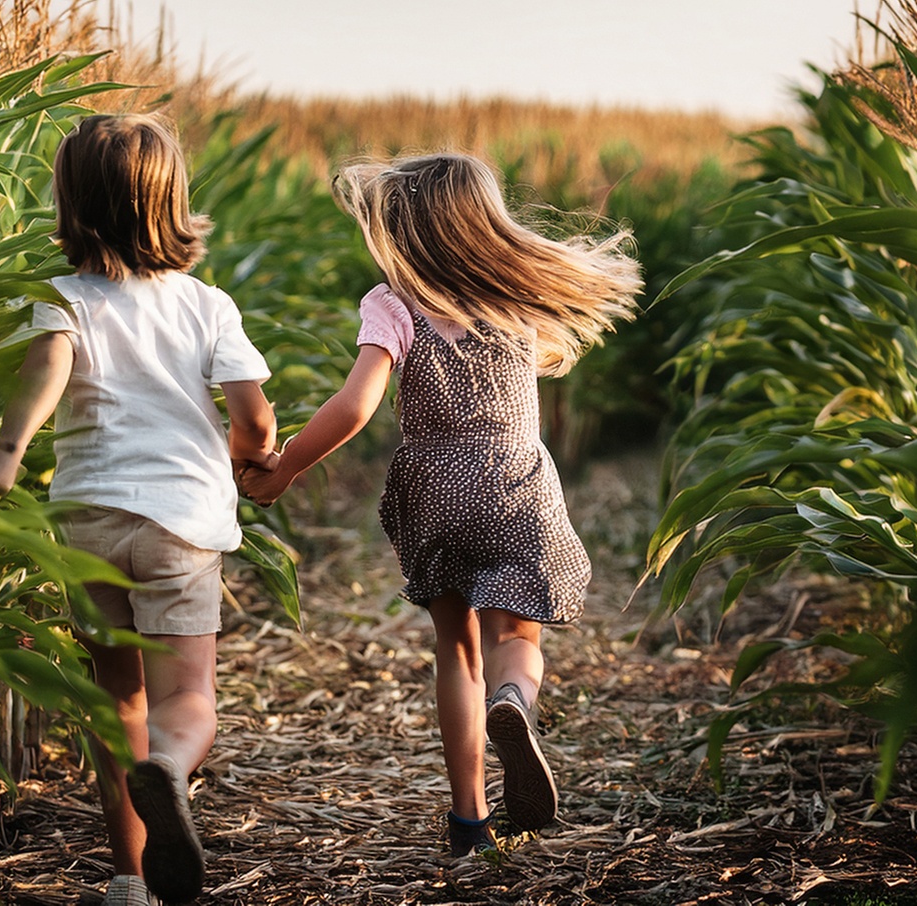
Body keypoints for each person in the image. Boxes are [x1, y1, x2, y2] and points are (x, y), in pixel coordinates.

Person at [239, 153, 641, 856]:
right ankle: (514, 703)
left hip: (435, 487)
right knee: (515, 638)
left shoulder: (392, 302)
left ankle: (469, 821)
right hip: (517, 481)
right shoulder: (514, 292)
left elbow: (356, 404)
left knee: (456, 648)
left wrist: (288, 469)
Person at [0, 114, 277, 905]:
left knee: (118, 699)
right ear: (170, 202)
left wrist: (7, 453)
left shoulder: (64, 298)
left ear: (73, 205)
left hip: (87, 521)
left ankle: (128, 880)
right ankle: (171, 769)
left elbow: (47, 367)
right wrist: (252, 455)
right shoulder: (207, 306)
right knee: (187, 699)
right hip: (179, 522)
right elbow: (252, 412)